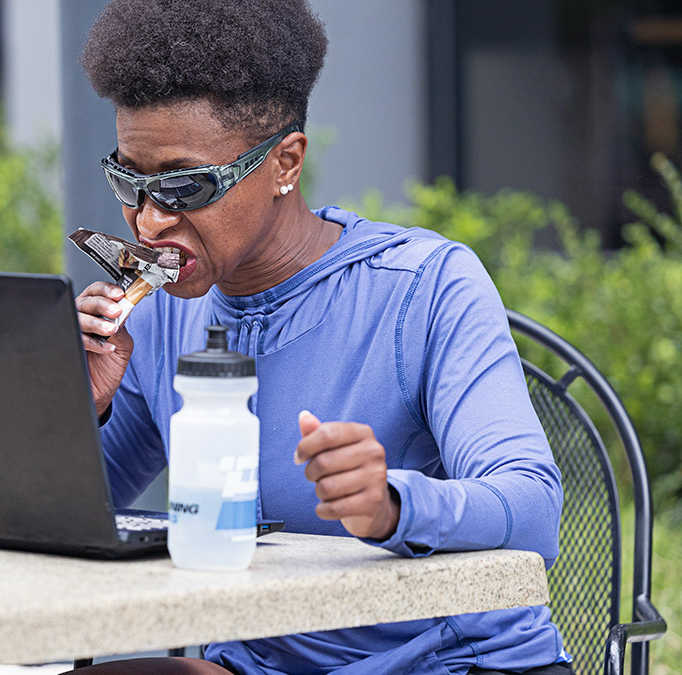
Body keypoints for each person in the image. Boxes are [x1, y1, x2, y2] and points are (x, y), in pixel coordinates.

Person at [71, 1, 570, 674]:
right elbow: (78, 515)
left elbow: (534, 507)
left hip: (449, 662)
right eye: (130, 180)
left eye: (185, 186)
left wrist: (393, 504)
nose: (150, 221)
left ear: (285, 163)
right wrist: (84, 405)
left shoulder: (423, 286)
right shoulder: (160, 313)